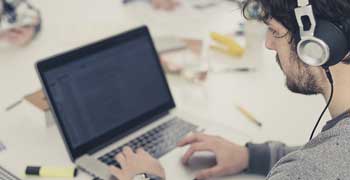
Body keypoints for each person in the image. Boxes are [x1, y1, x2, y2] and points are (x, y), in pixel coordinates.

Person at [109, 0, 350, 179]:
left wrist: (149, 178)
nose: (268, 43)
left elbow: (317, 167)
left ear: (323, 44)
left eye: (275, 31)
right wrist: (252, 157)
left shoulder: (310, 169)